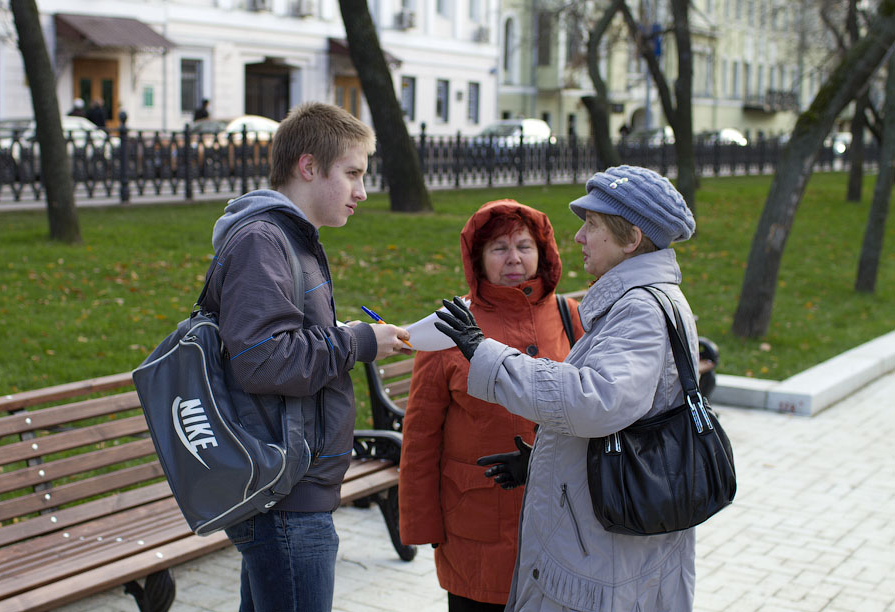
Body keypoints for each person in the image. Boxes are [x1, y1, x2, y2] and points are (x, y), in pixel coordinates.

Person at [436, 165, 699, 611]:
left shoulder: (640, 309)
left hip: (608, 556)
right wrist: (546, 461)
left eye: (592, 225)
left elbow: (595, 401)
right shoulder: (637, 300)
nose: (578, 237)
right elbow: (627, 417)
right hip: (610, 538)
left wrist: (487, 355)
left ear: (631, 239)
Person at [200, 102, 412, 612]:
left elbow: (271, 341)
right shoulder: (263, 241)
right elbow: (262, 359)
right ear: (309, 166)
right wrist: (358, 342)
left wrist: (337, 334)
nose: (362, 191)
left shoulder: (288, 240)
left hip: (293, 485)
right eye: (353, 174)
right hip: (284, 494)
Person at [398, 200, 583, 611]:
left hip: (562, 526)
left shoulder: (572, 317)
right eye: (499, 248)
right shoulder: (450, 326)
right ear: (478, 259)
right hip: (475, 527)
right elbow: (421, 433)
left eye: (524, 245)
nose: (514, 257)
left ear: (544, 252)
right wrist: (421, 521)